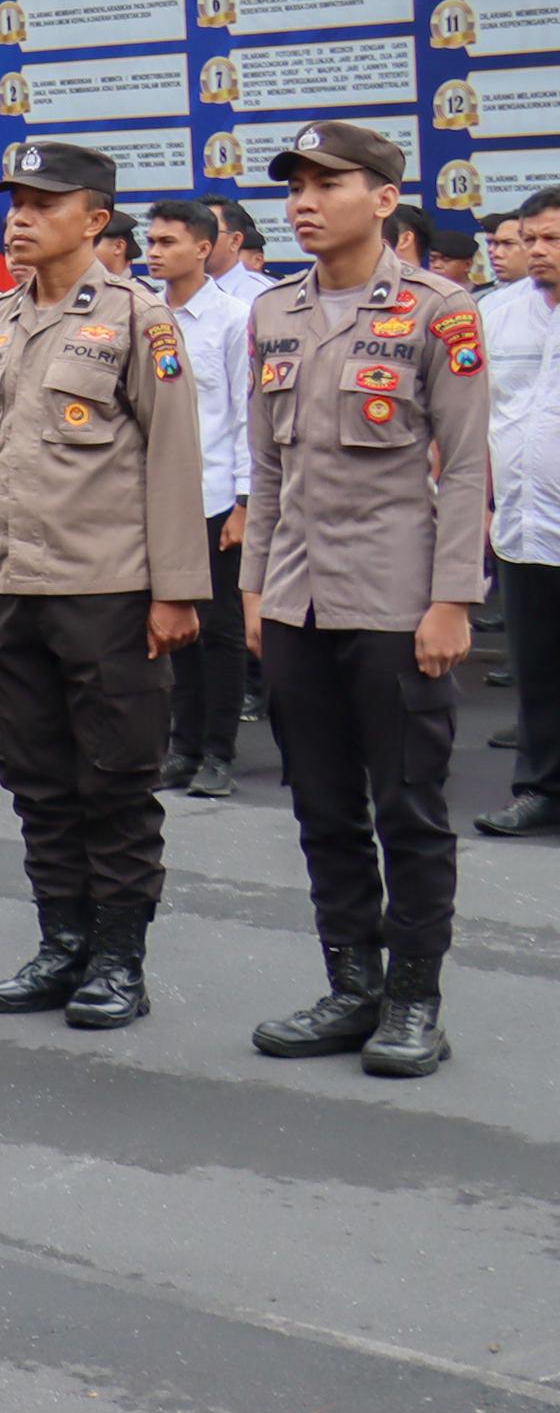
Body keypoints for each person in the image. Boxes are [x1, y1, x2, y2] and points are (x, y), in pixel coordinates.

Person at [243, 121, 490, 1077]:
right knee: (324, 807)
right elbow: (268, 471)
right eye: (296, 185)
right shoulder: (274, 313)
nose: (304, 201)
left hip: (397, 600)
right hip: (300, 600)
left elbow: (468, 468)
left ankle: (415, 1000)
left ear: (384, 199)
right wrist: (256, 587)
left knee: (410, 809)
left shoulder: (441, 310)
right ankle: (352, 987)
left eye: (327, 183)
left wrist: (454, 601)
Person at [0, 139, 208, 1032]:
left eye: (43, 203)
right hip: (13, 585)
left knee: (113, 778)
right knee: (36, 777)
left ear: (95, 220)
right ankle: (60, 943)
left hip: (107, 588)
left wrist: (176, 590)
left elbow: (175, 458)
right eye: (15, 201)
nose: (20, 217)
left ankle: (117, 959)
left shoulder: (142, 321)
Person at [142, 201, 255, 801]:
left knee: (220, 632)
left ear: (204, 248)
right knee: (170, 626)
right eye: (151, 241)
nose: (153, 251)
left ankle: (217, 752)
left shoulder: (235, 319)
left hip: (215, 498)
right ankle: (180, 748)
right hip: (160, 501)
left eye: (167, 241)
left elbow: (245, 417)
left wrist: (243, 502)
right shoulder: (143, 312)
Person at [480, 185, 560, 838]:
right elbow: (475, 416)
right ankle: (539, 789)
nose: (537, 251)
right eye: (530, 238)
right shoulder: (496, 313)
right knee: (537, 671)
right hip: (522, 527)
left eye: (551, 239)